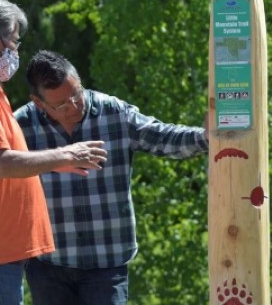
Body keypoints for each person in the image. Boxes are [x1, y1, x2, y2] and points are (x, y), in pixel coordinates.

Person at [0, 0, 108, 305]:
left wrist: (56, 163)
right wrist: (66, 154)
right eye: (13, 41)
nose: (15, 51)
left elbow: (0, 160)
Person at [13, 50, 209, 304]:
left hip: (107, 263)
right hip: (48, 264)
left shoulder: (114, 112)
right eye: (61, 104)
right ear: (39, 103)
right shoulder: (21, 125)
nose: (74, 106)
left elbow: (163, 137)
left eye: (76, 93)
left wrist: (205, 137)